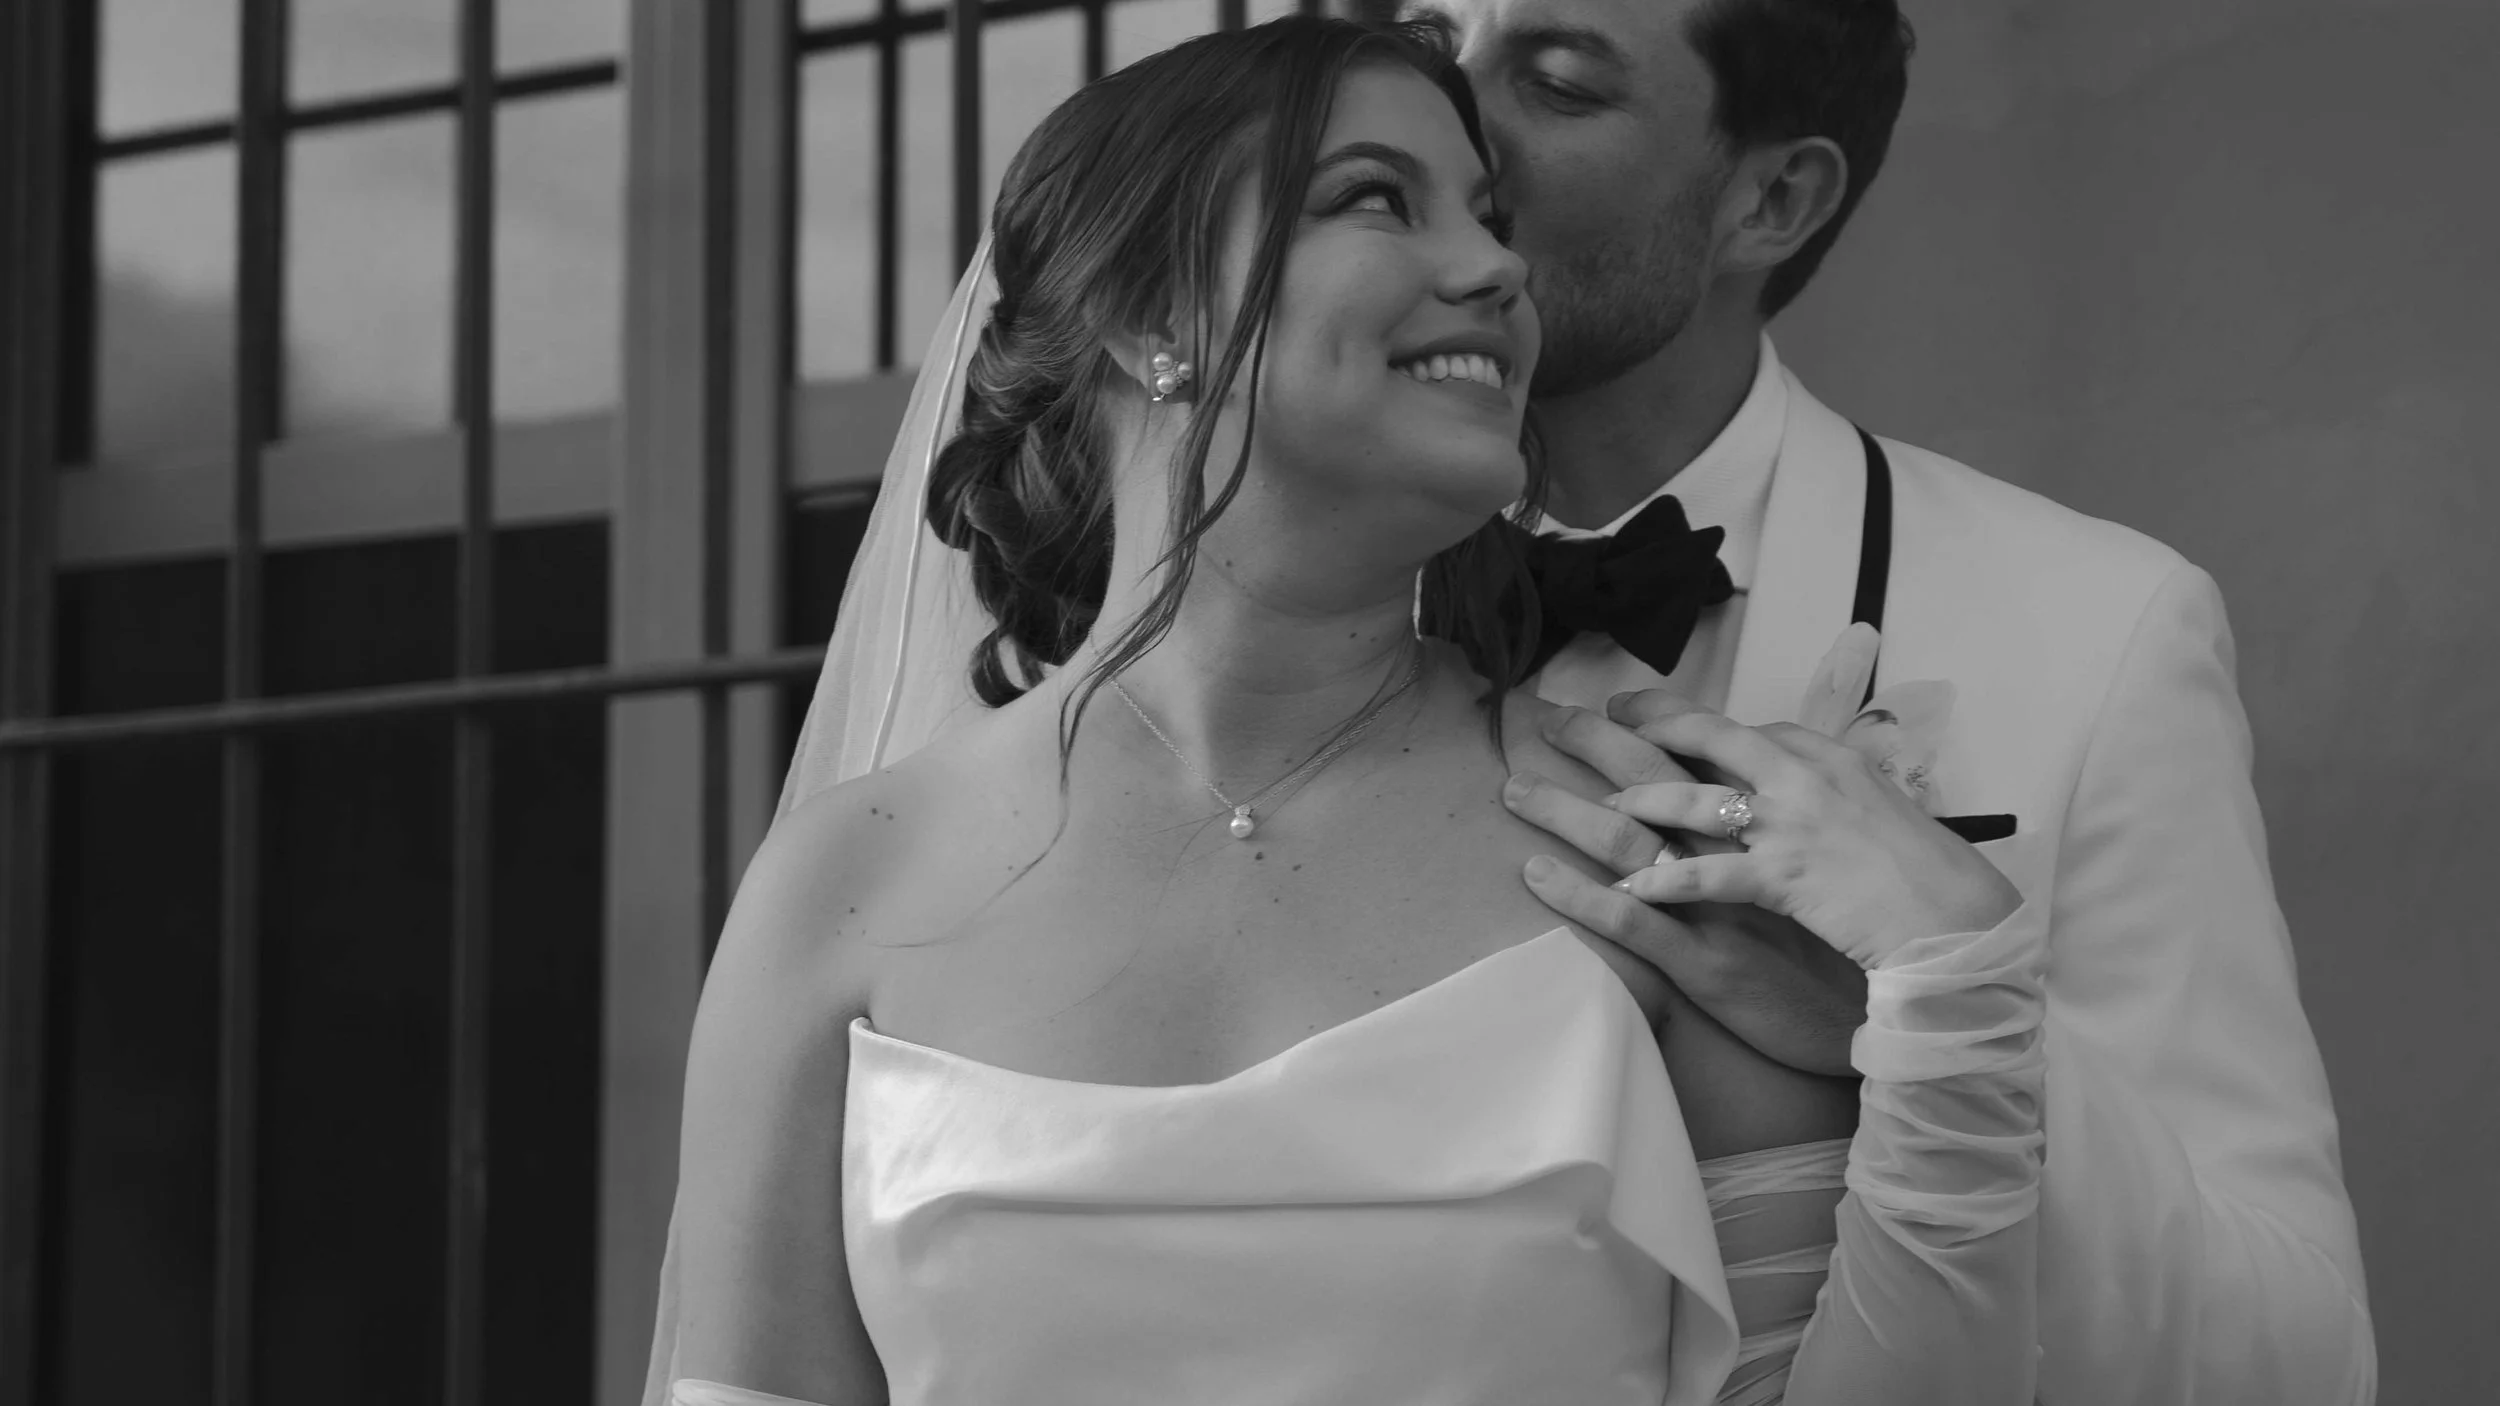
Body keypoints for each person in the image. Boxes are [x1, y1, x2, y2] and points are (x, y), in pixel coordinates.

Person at [666, 16, 2049, 1406]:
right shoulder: (842, 890)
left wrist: (1954, 1006)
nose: (1499, 268)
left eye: (1493, 217)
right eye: (1378, 198)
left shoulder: (1648, 853)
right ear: (1150, 319)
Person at [1401, 0, 2370, 1401]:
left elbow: (2295, 1355)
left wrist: (1924, 1023)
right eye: (1437, 40)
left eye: (1554, 83)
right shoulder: (1248, 622)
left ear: (1771, 197)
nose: (1453, 119)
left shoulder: (2100, 626)